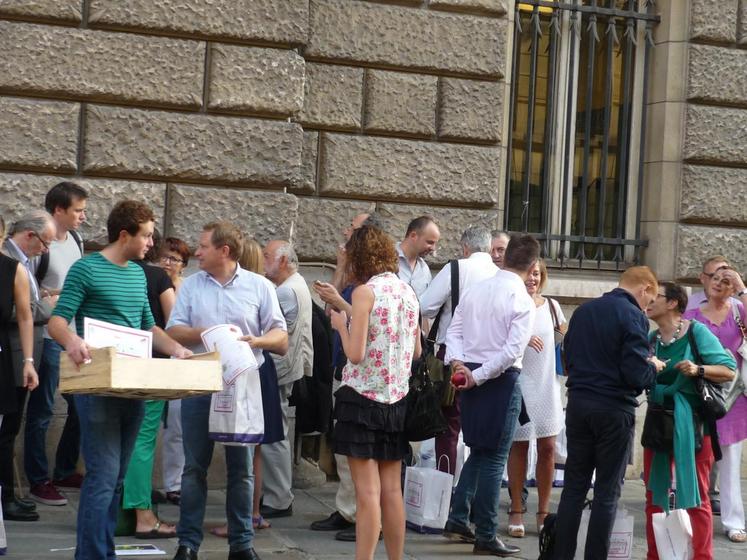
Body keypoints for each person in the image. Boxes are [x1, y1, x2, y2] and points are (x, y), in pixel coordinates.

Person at [48, 200, 192, 560]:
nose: (151, 243)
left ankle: (99, 550)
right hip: (97, 385)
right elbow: (57, 321)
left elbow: (148, 326)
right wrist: (74, 342)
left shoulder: (136, 274)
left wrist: (176, 349)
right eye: (145, 235)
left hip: (134, 384)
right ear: (124, 234)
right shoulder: (86, 269)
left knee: (115, 480)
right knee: (101, 476)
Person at [166, 221, 288, 560]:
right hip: (200, 381)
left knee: (242, 468)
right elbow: (173, 330)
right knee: (194, 468)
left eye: (203, 246)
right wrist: (210, 332)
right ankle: (188, 544)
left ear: (225, 251)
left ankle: (241, 544)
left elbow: (281, 339)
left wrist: (255, 340)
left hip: (242, 386)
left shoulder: (259, 286)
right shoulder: (191, 286)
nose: (197, 251)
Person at [551, 266, 665, 560]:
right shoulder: (633, 315)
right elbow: (635, 373)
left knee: (574, 488)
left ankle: (561, 555)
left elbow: (568, 355)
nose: (647, 308)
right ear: (644, 290)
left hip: (578, 403)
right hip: (614, 409)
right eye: (649, 301)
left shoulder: (585, 311)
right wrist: (652, 367)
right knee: (606, 493)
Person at [441, 234, 539, 557]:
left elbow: (453, 332)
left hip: (471, 373)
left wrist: (459, 363)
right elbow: (511, 352)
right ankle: (484, 531)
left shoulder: (476, 289)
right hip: (496, 380)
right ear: (532, 265)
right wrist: (476, 375)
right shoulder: (522, 299)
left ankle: (458, 517)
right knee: (494, 456)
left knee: (479, 451)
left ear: (505, 256)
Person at [329, 224, 421, 560]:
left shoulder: (364, 292)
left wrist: (341, 326)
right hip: (397, 400)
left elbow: (355, 354)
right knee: (392, 491)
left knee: (367, 494)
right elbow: (416, 353)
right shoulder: (407, 292)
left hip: (362, 399)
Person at [645, 282, 736, 559]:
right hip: (659, 422)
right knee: (654, 495)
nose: (649, 300)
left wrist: (698, 369)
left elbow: (728, 369)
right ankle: (655, 555)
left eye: (656, 296)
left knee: (696, 495)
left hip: (693, 425)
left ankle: (702, 556)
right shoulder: (651, 339)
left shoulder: (697, 332)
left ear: (672, 303)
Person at [310, 212, 379, 542]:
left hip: (364, 371)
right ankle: (347, 508)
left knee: (360, 450)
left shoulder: (375, 278)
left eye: (352, 228)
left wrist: (340, 305)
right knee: (342, 446)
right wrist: (339, 268)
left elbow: (372, 323)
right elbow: (330, 309)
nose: (345, 232)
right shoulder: (355, 272)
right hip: (345, 364)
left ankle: (364, 518)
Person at [210, 237, 286, 538]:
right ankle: (253, 513)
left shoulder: (254, 288)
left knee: (244, 446)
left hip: (246, 367)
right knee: (255, 446)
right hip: (261, 368)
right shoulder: (263, 287)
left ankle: (244, 516)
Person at [24, 182, 88, 506]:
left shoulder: (76, 240)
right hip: (48, 337)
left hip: (75, 336)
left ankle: (64, 469)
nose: (83, 216)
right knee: (42, 410)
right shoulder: (42, 245)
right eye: (77, 210)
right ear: (58, 210)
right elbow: (28, 294)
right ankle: (38, 479)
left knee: (80, 407)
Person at [419, 226, 497, 474]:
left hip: (454, 357)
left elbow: (425, 306)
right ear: (488, 248)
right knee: (481, 429)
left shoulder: (456, 268)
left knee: (449, 427)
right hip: (491, 361)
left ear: (465, 248)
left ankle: (446, 490)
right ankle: (471, 493)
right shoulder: (501, 275)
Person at [683, 264, 747, 543]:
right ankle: (690, 517)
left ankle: (734, 522)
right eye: (715, 278)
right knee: (695, 459)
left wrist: (744, 289)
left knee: (731, 462)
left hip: (733, 397)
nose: (719, 283)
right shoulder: (692, 315)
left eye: (726, 280)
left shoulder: (739, 311)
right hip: (701, 395)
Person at [122, 232, 178, 538]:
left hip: (118, 365)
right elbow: (174, 321)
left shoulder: (110, 270)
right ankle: (142, 514)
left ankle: (124, 512)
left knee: (121, 441)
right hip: (152, 366)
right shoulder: (157, 276)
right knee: (142, 441)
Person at [0, 211, 55, 522]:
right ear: (30, 235)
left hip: (22, 355)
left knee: (12, 427)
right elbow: (14, 311)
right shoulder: (9, 260)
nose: (45, 250)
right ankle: (6, 495)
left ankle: (8, 492)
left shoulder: (25, 263)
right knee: (7, 429)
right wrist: (46, 309)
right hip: (9, 355)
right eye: (45, 243)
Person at [507, 260, 566, 537]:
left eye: (537, 273)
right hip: (520, 383)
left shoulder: (552, 306)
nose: (532, 278)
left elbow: (566, 338)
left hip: (547, 384)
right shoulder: (512, 302)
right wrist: (524, 338)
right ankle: (516, 508)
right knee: (518, 446)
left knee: (548, 448)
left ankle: (544, 511)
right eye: (528, 272)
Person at [260, 240, 314, 520]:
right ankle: (276, 494)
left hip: (279, 368)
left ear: (282, 261)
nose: (263, 259)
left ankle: (279, 497)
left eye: (267, 256)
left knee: (274, 433)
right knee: (275, 431)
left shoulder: (285, 291)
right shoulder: (297, 283)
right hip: (286, 366)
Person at [157, 236, 191, 506]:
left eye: (175, 259)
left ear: (183, 265)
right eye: (164, 257)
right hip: (156, 359)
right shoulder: (151, 284)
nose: (168, 263)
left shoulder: (187, 289)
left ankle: (175, 484)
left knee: (176, 426)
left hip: (181, 361)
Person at [396, 215, 440, 298]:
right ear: (413, 236)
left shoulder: (424, 270)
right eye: (430, 242)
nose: (433, 248)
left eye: (435, 243)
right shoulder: (385, 258)